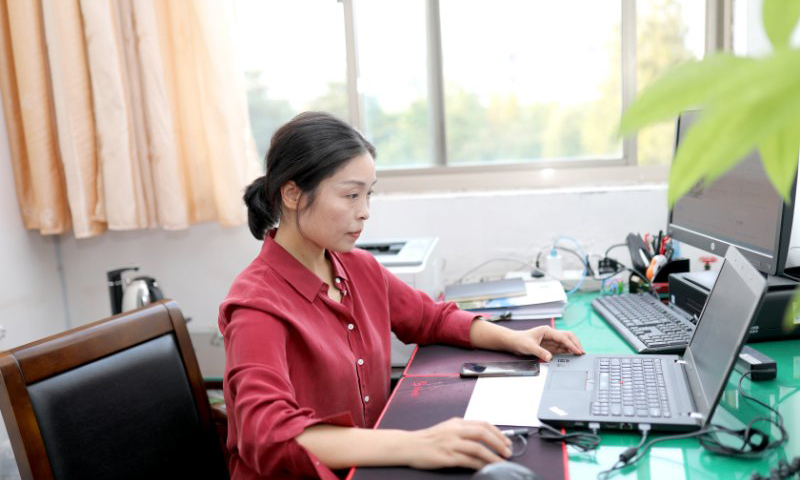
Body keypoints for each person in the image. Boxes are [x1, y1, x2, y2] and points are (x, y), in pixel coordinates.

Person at [219, 112, 585, 480]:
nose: (365, 212)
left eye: (368, 195)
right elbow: (265, 434)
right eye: (350, 195)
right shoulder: (257, 305)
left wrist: (515, 338)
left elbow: (430, 318)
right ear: (293, 194)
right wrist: (418, 444)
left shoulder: (357, 266)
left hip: (371, 465)